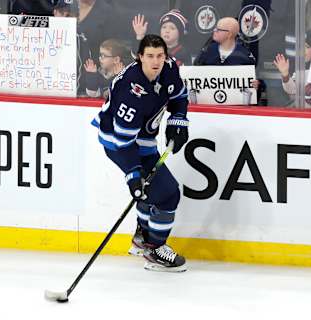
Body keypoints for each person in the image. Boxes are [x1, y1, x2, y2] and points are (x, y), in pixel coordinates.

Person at [91, 34, 189, 272]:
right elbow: (125, 144)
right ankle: (155, 248)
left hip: (144, 140)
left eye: (160, 56)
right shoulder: (130, 90)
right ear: (139, 57)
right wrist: (133, 176)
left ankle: (141, 236)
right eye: (150, 56)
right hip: (118, 143)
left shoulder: (169, 68)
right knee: (167, 194)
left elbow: (179, 97)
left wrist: (178, 120)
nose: (156, 61)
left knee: (150, 190)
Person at [194, 17, 261, 103]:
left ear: (229, 34)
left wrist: (256, 86)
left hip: (235, 110)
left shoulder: (245, 56)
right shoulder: (207, 51)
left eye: (218, 29)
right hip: (209, 107)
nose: (214, 31)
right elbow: (195, 74)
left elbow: (253, 85)